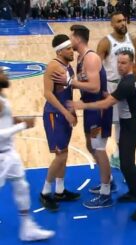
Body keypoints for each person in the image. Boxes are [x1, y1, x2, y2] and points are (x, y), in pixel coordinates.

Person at [70, 50, 136, 220]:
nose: (120, 66)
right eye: (118, 62)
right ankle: (133, 190)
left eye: (124, 63)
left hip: (133, 126)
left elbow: (108, 103)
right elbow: (116, 97)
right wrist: (109, 95)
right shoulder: (126, 80)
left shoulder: (128, 82)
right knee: (125, 163)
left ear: (131, 64)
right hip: (127, 124)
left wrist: (83, 106)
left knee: (127, 165)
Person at [53, 24, 113, 209]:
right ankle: (108, 180)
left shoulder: (91, 58)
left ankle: (106, 193)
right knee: (90, 145)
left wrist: (70, 82)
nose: (69, 40)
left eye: (71, 37)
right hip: (89, 108)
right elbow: (84, 83)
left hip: (98, 108)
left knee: (98, 148)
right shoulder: (80, 58)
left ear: (78, 39)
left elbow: (94, 87)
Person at [0, 68, 55, 241]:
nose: (6, 74)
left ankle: (27, 228)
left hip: (9, 154)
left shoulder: (2, 97)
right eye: (1, 72)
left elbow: (4, 119)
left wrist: (19, 120)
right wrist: (23, 126)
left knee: (22, 187)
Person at [97, 11, 136, 171]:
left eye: (124, 20)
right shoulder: (105, 42)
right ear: (112, 24)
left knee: (126, 122)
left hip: (129, 85)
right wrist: (100, 88)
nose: (123, 23)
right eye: (118, 21)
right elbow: (96, 66)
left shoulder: (133, 39)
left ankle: (118, 154)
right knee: (115, 123)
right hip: (112, 85)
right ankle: (115, 153)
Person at [40, 34, 80, 211]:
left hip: (64, 115)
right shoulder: (53, 66)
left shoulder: (68, 66)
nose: (72, 51)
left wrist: (73, 112)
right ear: (60, 50)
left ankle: (60, 190)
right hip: (54, 115)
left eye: (72, 47)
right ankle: (45, 192)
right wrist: (65, 112)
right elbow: (48, 94)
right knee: (61, 155)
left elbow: (68, 93)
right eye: (69, 48)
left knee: (64, 154)